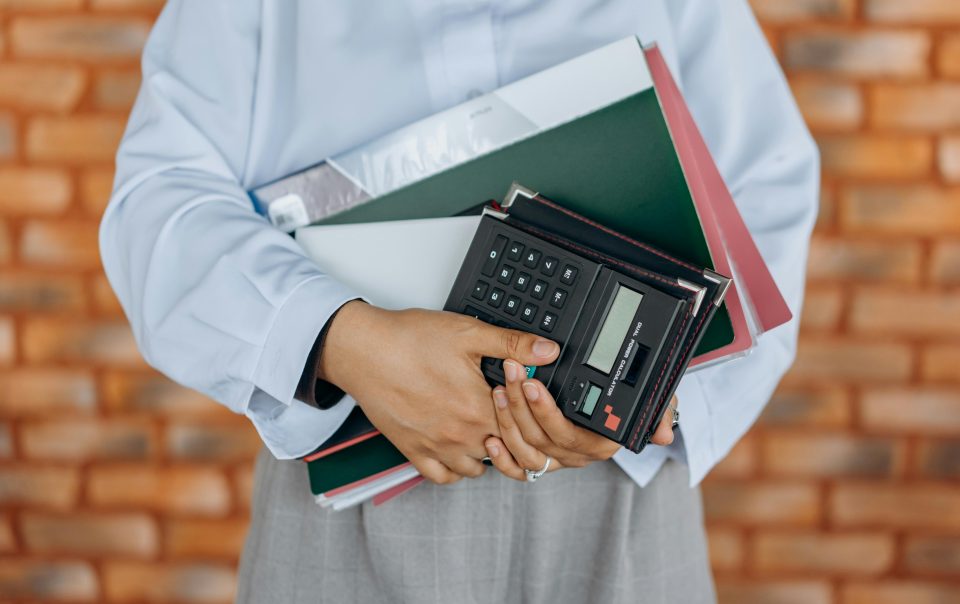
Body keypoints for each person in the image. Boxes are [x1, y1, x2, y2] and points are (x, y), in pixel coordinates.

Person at [100, 1, 818, 602]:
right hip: (352, 485)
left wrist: (661, 401)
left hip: (618, 492)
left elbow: (767, 180)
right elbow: (158, 203)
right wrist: (337, 338)